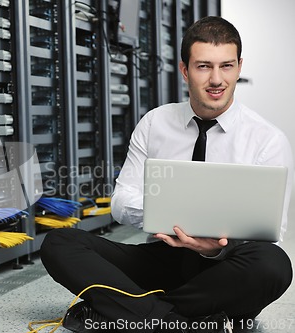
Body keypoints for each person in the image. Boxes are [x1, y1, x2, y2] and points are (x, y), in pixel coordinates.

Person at [40, 16, 293, 333]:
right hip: (163, 256)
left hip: (223, 268)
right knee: (60, 242)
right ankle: (181, 323)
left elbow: (272, 230)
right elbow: (121, 202)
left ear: (239, 67)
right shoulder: (155, 123)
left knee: (274, 265)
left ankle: (130, 313)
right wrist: (172, 217)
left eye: (226, 66)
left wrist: (212, 246)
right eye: (203, 67)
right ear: (185, 70)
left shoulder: (267, 139)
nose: (216, 79)